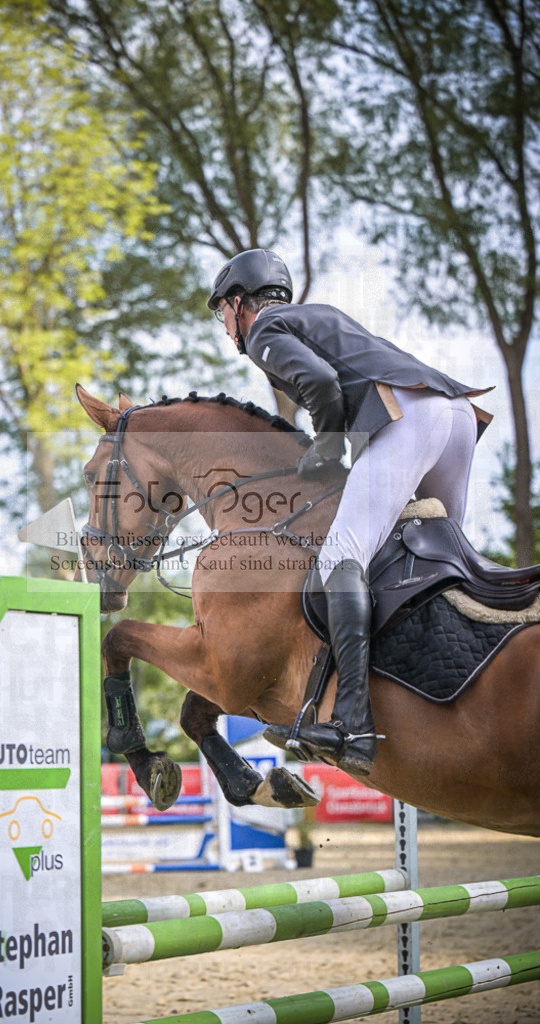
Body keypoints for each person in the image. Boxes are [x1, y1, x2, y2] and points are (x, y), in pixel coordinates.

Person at [208, 248, 492, 774]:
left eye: (222, 311)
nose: (225, 325)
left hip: (409, 416)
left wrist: (326, 445)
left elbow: (321, 385)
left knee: (342, 555)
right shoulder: (313, 315)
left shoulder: (266, 331)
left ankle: (353, 723)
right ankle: (450, 683)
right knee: (434, 562)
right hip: (454, 414)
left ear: (239, 302)